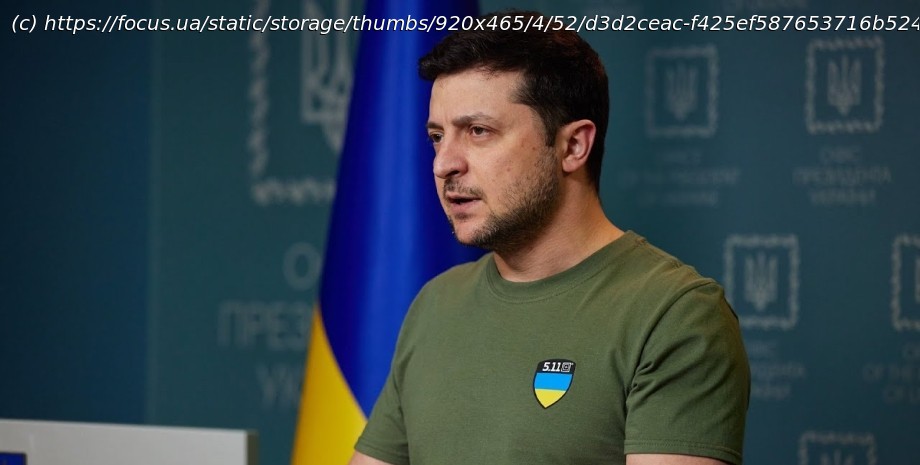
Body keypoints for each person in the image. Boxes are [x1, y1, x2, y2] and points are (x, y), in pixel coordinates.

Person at [349, 10, 750, 465]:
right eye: (437, 137)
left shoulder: (674, 316)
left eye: (478, 131)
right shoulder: (435, 304)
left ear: (573, 146)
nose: (444, 163)